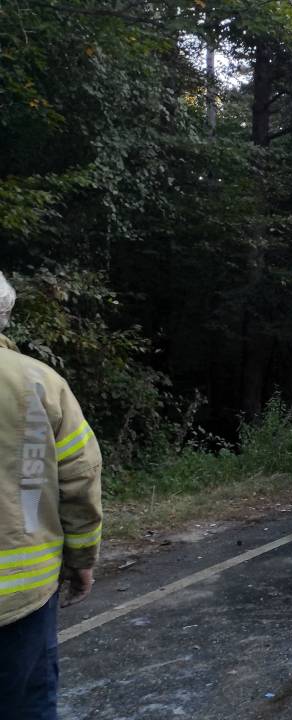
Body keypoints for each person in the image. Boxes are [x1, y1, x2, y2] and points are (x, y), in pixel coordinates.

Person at [0, 271, 103, 719]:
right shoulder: (38, 383)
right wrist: (81, 562)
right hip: (19, 600)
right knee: (27, 705)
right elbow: (80, 477)